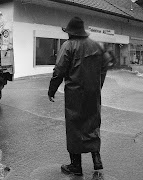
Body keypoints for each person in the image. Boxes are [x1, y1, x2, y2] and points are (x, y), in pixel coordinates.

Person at [48, 17, 114, 176]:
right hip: (93, 94)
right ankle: (96, 158)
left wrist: (52, 90)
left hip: (75, 95)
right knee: (92, 123)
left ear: (70, 33)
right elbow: (104, 67)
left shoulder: (68, 46)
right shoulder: (96, 46)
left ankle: (76, 166)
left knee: (74, 127)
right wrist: (98, 86)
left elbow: (59, 70)